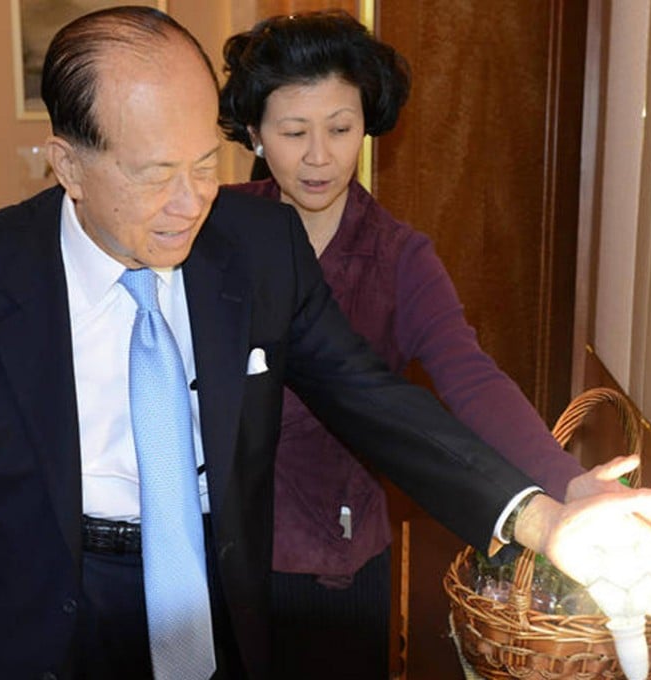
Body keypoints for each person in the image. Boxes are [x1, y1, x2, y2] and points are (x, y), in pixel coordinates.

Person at [0, 6, 651, 680]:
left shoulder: (257, 248)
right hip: (42, 608)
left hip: (215, 598)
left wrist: (549, 517)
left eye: (205, 164)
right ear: (67, 164)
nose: (190, 202)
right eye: (154, 174)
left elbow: (374, 398)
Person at [218, 11, 597, 677]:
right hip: (218, 552)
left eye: (340, 129)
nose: (319, 156)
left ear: (367, 124)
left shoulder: (397, 256)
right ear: (253, 133)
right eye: (293, 131)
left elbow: (470, 377)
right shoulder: (216, 230)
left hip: (335, 566)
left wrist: (564, 484)